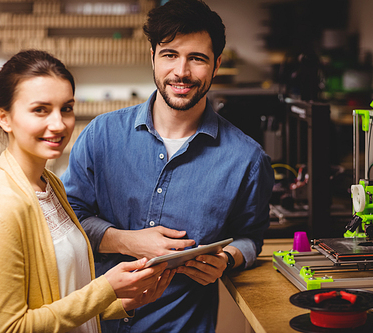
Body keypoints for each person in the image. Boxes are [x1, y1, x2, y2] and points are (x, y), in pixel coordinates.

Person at [61, 0, 275, 331]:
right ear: (152, 57)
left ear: (216, 64)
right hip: (95, 323)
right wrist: (126, 241)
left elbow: (250, 237)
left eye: (197, 58)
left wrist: (227, 259)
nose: (181, 72)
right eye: (170, 54)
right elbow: (67, 222)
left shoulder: (247, 159)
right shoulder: (100, 136)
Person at [0, 50, 175, 333]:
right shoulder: (1, 207)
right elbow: (11, 328)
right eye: (40, 109)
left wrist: (123, 301)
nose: (59, 124)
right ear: (4, 118)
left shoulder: (50, 183)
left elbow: (63, 295)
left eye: (66, 108)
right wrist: (105, 288)